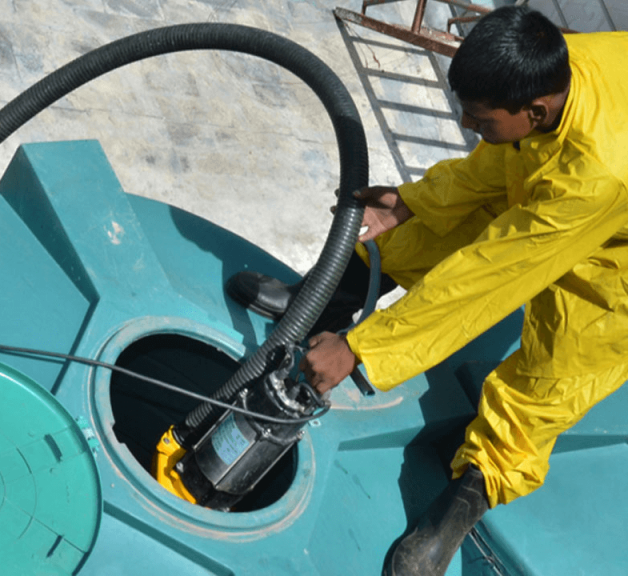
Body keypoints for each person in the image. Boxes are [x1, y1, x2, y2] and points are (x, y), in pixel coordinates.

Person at [228, 6, 628, 575]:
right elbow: (499, 161)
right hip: (572, 179)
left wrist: (362, 349)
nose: (467, 125)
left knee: (553, 377)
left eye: (480, 119)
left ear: (536, 110)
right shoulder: (560, 69)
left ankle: (460, 505)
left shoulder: (596, 172)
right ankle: (317, 302)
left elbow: (488, 278)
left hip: (617, 257)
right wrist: (416, 200)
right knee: (447, 219)